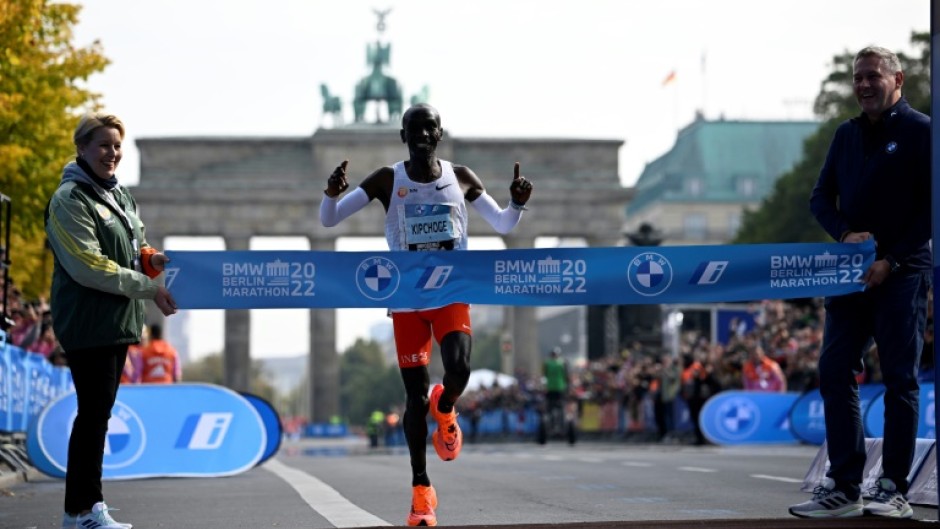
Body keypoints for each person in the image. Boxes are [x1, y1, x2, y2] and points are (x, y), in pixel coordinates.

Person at [319, 103, 532, 526]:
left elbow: (504, 225)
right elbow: (329, 221)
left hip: (451, 293)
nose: (421, 135)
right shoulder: (386, 179)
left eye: (428, 128)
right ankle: (421, 490)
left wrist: (517, 203)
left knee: (459, 368)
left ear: (439, 134)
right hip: (407, 300)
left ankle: (448, 405)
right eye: (413, 129)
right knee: (413, 398)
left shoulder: (462, 177)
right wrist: (331, 193)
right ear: (403, 136)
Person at [789, 46, 931, 519]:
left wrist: (890, 259)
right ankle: (845, 485)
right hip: (848, 275)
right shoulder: (846, 133)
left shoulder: (922, 131)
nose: (864, 85)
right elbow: (819, 197)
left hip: (902, 273)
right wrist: (845, 234)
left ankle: (892, 487)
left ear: (898, 80)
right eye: (858, 78)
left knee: (899, 380)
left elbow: (931, 210)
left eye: (873, 76)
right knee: (833, 371)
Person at [45, 112, 178, 529]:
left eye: (117, 146)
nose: (112, 153)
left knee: (97, 414)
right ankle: (83, 510)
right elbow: (88, 265)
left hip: (116, 320)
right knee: (93, 415)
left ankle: (83, 508)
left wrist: (150, 259)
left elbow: (134, 246)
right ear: (82, 148)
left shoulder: (119, 195)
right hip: (88, 321)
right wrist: (149, 286)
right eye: (103, 145)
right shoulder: (71, 199)